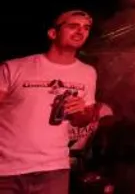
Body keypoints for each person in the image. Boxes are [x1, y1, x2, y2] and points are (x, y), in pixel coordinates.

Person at [0, 10, 98, 194]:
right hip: (6, 170)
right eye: (72, 26)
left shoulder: (88, 73)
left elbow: (85, 118)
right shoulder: (14, 68)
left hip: (53, 170)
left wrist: (80, 112)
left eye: (86, 28)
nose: (80, 31)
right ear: (53, 33)